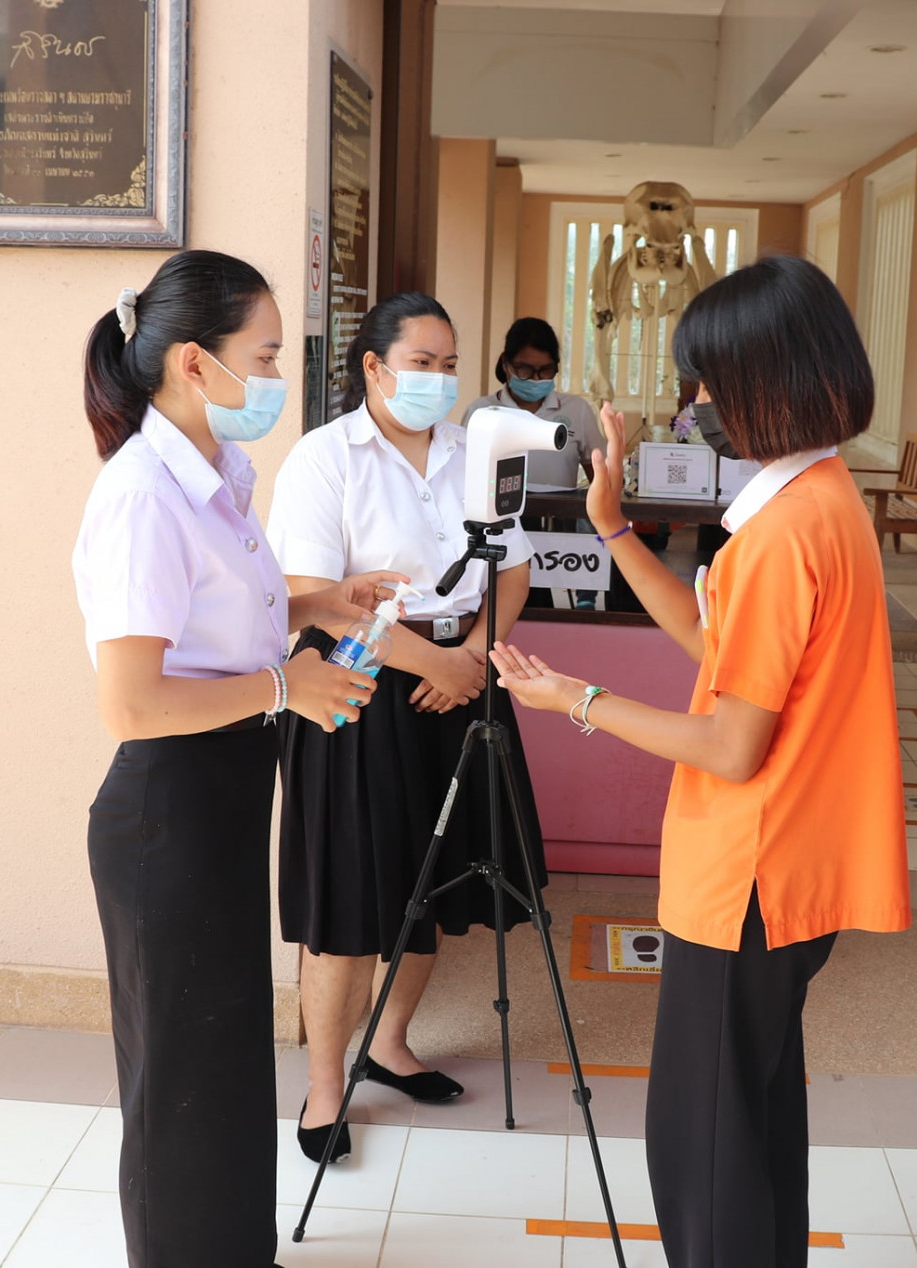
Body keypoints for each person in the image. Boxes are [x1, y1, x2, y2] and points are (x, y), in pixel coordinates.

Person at [490, 254, 909, 1267]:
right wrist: (615, 534)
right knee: (753, 1119)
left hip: (750, 876)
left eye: (714, 380)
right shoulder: (821, 496)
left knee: (700, 1139)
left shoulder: (781, 535)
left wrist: (574, 699)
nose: (703, 402)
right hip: (793, 867)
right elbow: (720, 649)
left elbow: (730, 741)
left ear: (773, 377)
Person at [71, 249, 399, 1268]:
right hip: (163, 811)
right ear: (188, 363)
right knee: (178, 1076)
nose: (274, 378)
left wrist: (314, 604)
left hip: (215, 798)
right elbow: (130, 702)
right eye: (261, 355)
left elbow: (210, 619)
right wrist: (283, 686)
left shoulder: (215, 472)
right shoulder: (142, 497)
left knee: (221, 1060)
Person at [268, 291, 547, 1164]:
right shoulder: (325, 460)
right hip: (358, 690)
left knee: (438, 887)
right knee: (349, 901)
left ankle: (388, 1045)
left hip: (462, 681)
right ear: (375, 368)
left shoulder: (476, 453)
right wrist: (437, 666)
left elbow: (515, 570)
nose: (437, 378)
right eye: (421, 363)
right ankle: (323, 1088)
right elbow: (311, 601)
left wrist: (469, 651)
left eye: (447, 362)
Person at [465, 317, 605, 610]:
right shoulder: (483, 412)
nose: (535, 379)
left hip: (558, 536)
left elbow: (600, 478)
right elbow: (462, 479)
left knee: (555, 616)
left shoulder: (576, 410)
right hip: (500, 530)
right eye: (525, 369)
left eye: (545, 370)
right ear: (506, 364)